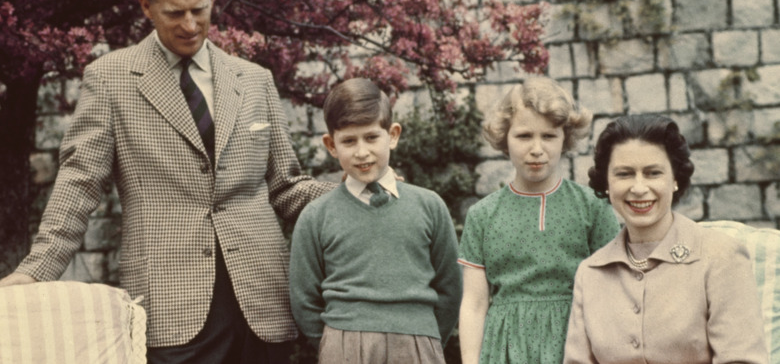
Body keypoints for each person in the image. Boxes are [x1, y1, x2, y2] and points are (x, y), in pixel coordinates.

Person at [0, 0, 333, 364]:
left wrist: (355, 195)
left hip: (263, 301)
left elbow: (286, 187)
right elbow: (80, 183)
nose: (191, 25)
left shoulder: (254, 80)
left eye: (200, 8)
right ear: (146, 6)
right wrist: (36, 270)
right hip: (170, 306)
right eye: (175, 13)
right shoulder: (110, 80)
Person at [563, 114, 769, 364]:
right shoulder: (590, 273)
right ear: (607, 182)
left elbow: (741, 359)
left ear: (675, 179)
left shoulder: (721, 256)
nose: (639, 188)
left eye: (652, 173)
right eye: (624, 174)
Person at [288, 77, 462, 363]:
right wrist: (336, 343)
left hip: (418, 343)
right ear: (331, 145)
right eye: (348, 141)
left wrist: (424, 339)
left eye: (371, 137)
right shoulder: (316, 216)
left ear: (392, 135)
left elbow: (450, 288)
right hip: (343, 345)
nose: (361, 152)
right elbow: (304, 298)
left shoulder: (429, 206)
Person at [458, 76, 620, 364]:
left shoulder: (592, 207)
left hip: (573, 344)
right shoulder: (483, 215)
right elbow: (474, 303)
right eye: (523, 136)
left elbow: (611, 294)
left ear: (565, 139)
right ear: (504, 139)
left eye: (548, 136)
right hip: (505, 348)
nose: (536, 149)